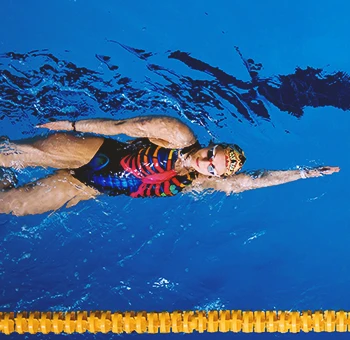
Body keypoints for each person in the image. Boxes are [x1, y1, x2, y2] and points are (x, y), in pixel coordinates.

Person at [0, 115, 340, 216]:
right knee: (6, 153)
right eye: (211, 153)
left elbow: (250, 181)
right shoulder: (177, 135)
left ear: (214, 175)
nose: (204, 161)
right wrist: (72, 126)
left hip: (87, 186)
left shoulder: (197, 183)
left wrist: (304, 173)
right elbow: (120, 128)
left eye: (212, 167)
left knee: (8, 205)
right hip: (89, 153)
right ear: (211, 144)